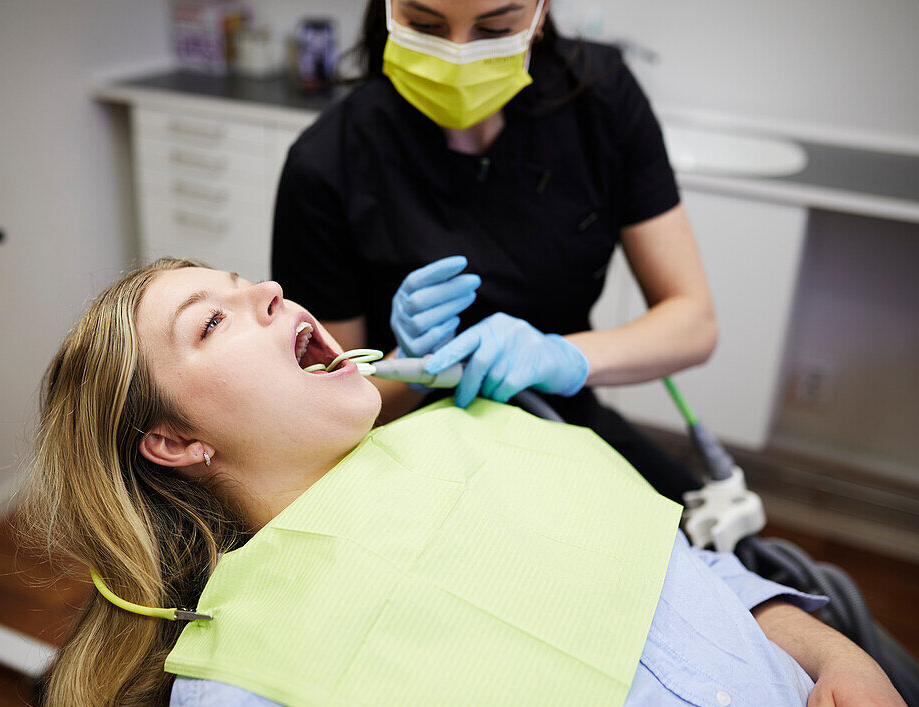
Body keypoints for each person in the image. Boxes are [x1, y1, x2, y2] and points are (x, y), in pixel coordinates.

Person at [22, 259, 919, 707]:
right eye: (212, 320)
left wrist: (841, 661)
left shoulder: (481, 426)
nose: (266, 289)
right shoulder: (244, 688)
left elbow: (694, 574)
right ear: (177, 441)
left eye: (243, 282)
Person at [273, 0, 717, 503]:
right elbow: (325, 414)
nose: (459, 54)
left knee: (715, 545)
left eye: (495, 28)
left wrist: (561, 357)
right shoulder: (326, 160)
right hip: (403, 453)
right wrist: (414, 363)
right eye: (425, 25)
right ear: (390, 10)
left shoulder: (602, 97)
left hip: (561, 426)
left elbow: (693, 323)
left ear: (540, 15)